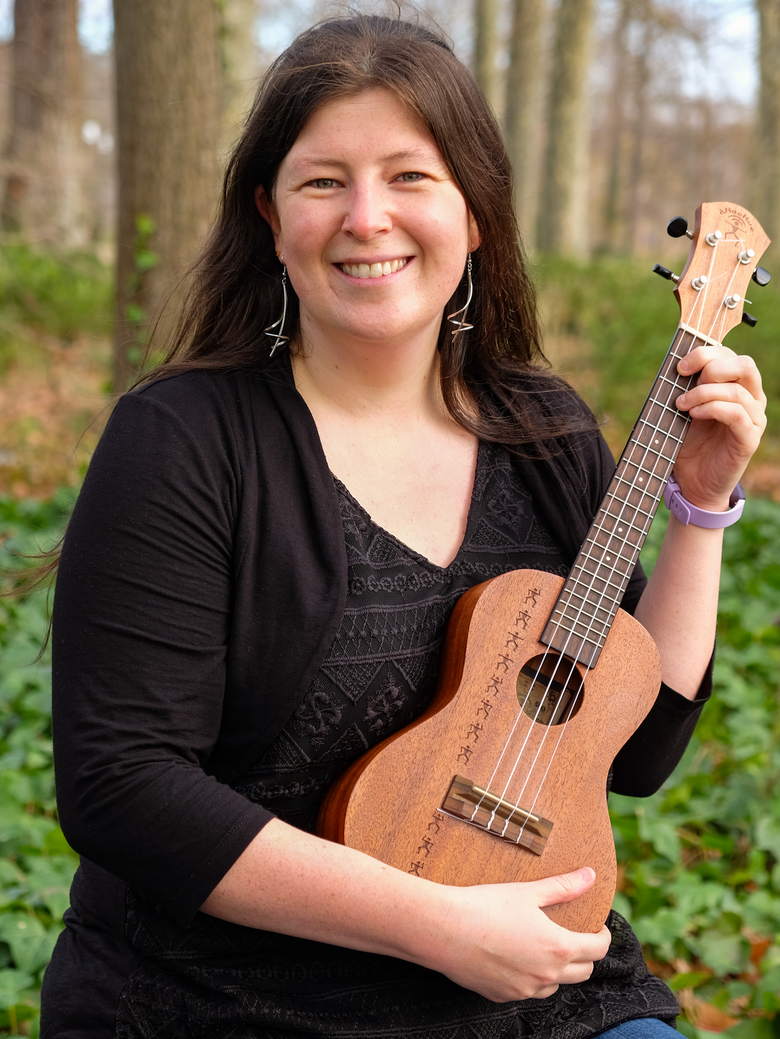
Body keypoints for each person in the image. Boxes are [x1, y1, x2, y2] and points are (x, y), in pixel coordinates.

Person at [42, 12, 766, 1039]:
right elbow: (123, 787)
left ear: (475, 215)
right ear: (271, 214)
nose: (367, 216)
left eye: (410, 177)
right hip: (234, 996)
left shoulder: (544, 431)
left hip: (528, 986)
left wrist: (698, 508)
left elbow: (635, 749)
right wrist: (435, 925)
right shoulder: (182, 441)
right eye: (324, 179)